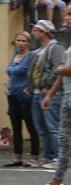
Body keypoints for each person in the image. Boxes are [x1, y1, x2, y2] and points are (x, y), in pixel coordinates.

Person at [33, 41, 71, 185]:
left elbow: (67, 70)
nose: (67, 19)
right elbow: (63, 76)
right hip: (67, 97)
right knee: (63, 141)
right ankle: (56, 183)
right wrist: (50, 94)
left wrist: (59, 69)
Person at [28, 20, 64, 169]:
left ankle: (57, 158)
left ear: (44, 32)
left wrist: (47, 86)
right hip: (37, 94)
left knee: (53, 126)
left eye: (36, 29)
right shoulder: (37, 51)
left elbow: (57, 70)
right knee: (41, 128)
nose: (33, 32)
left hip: (50, 93)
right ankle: (48, 157)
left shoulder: (55, 48)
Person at [5, 31, 39, 167]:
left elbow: (34, 73)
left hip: (24, 95)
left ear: (28, 43)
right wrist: (7, 86)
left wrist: (29, 87)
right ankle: (17, 157)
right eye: (18, 40)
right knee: (16, 127)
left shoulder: (31, 56)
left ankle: (34, 157)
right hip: (12, 95)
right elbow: (11, 74)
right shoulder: (15, 56)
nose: (20, 43)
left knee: (31, 126)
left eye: (23, 41)